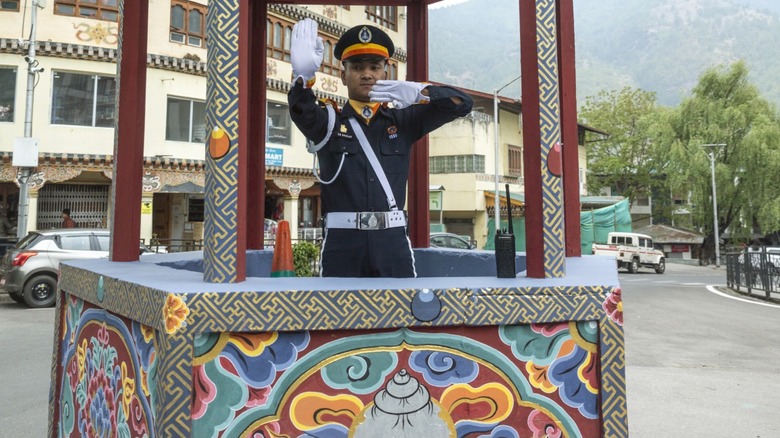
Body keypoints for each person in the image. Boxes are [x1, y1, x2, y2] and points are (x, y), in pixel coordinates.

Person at [288, 19, 473, 277]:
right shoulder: (328, 123)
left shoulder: (402, 121)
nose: (367, 74)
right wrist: (303, 78)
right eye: (357, 67)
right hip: (343, 245)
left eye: (375, 67)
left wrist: (422, 93)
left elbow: (462, 103)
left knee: (400, 316)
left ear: (385, 73)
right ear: (343, 75)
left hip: (392, 244)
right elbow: (301, 111)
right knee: (341, 315)